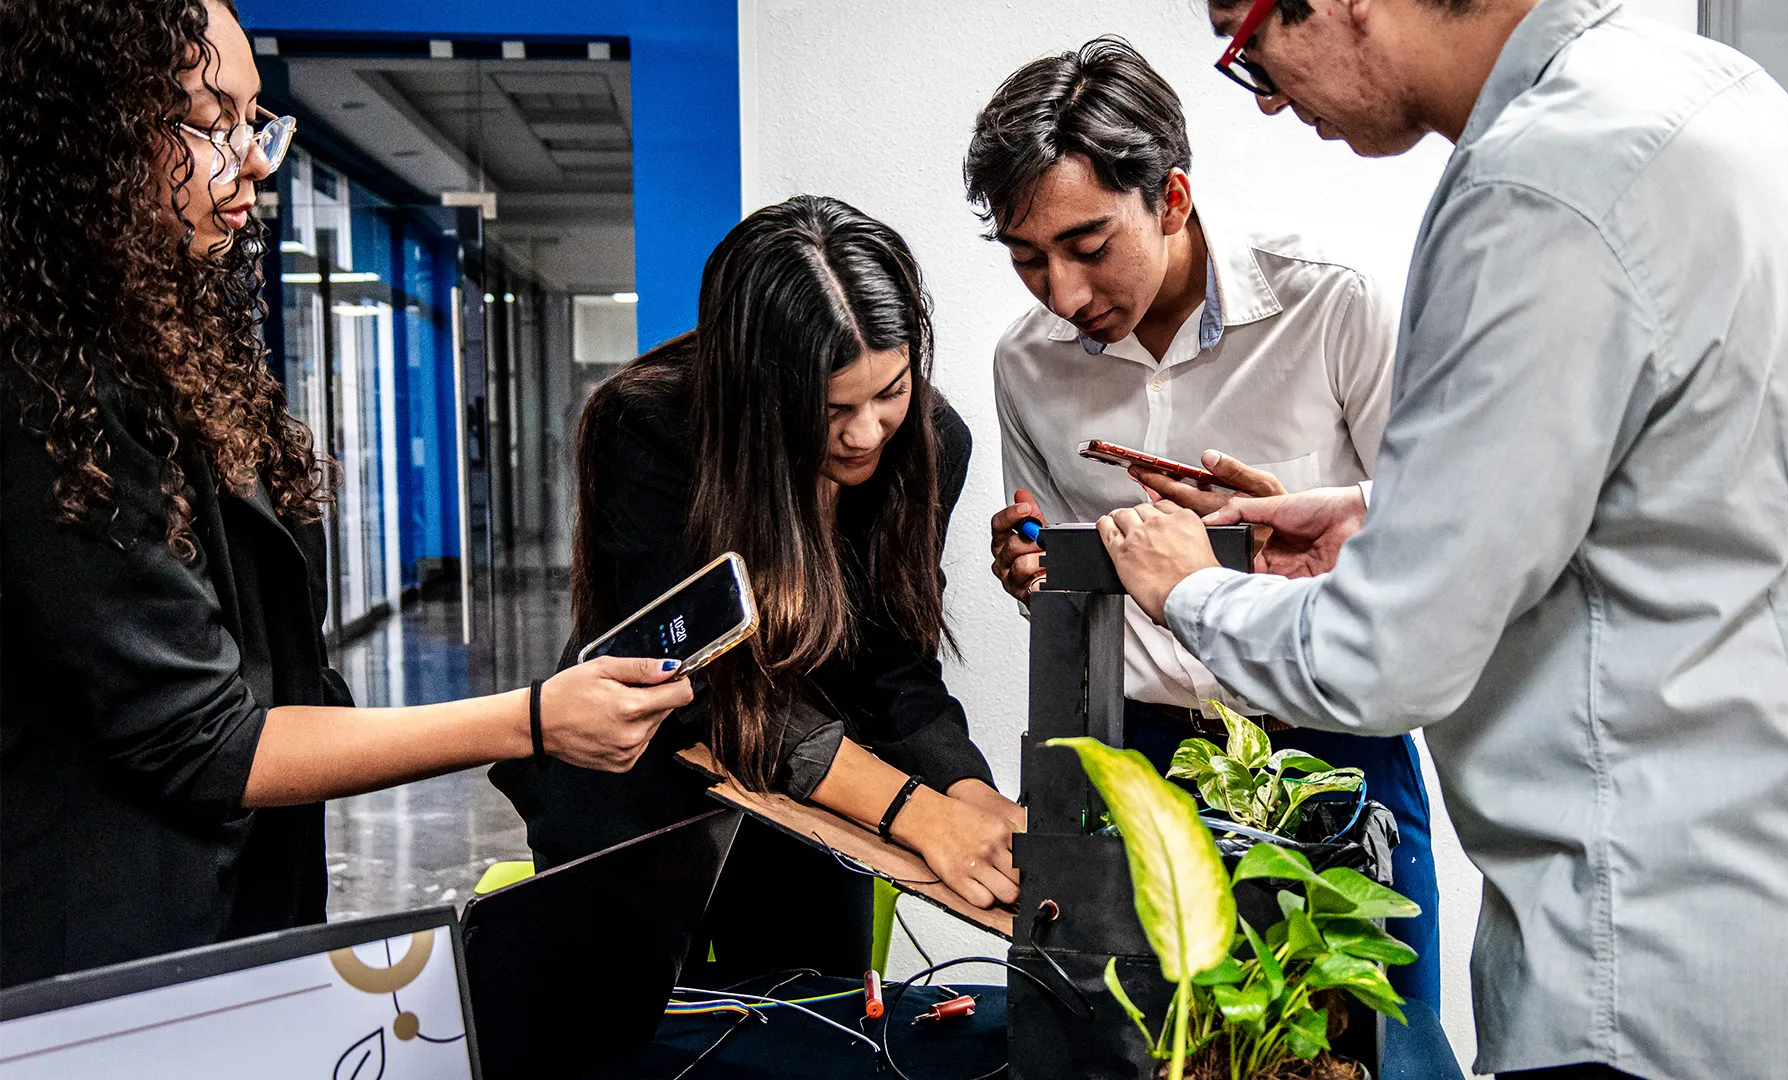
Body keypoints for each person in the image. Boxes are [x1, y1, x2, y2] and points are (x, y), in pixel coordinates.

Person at [1095, 1, 1788, 1078]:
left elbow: (1384, 657)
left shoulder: (1536, 187)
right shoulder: (1714, 97)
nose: (1263, 87)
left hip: (1651, 974)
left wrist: (1190, 589)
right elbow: (1671, 489)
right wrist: (1380, 515)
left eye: (1246, 40)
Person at [0, 0, 694, 989]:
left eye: (256, 120)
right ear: (89, 132)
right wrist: (535, 719)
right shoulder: (48, 391)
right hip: (101, 963)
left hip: (226, 914)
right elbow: (208, 737)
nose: (255, 159)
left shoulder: (163, 344)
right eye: (213, 123)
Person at [966, 38, 1439, 1007]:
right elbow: (1061, 592)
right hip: (1135, 765)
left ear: (1172, 200)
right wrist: (1033, 575)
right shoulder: (1026, 365)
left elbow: (1441, 534)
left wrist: (1330, 537)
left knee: (1361, 1049)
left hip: (1327, 750)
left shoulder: (1333, 308)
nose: (1063, 294)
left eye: (1089, 247)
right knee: (1130, 1049)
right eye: (1027, 260)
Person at [490, 195, 1023, 982]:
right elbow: (698, 677)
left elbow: (895, 665)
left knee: (812, 1027)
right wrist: (914, 810)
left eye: (891, 391)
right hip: (642, 781)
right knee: (618, 1038)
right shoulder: (647, 426)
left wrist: (966, 791)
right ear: (754, 389)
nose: (868, 433)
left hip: (807, 797)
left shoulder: (931, 442)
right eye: (832, 408)